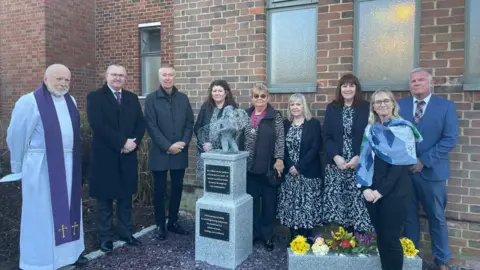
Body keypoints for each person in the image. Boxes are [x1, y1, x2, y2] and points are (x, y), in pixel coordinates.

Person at [2, 64, 87, 269]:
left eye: (67, 80)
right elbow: (16, 135)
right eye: (58, 79)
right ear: (46, 78)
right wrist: (18, 166)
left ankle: (68, 255)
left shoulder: (71, 101)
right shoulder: (30, 102)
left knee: (69, 208)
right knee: (43, 213)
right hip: (41, 167)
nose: (63, 84)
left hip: (68, 166)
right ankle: (41, 260)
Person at [400, 68, 459, 270]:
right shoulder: (400, 106)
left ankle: (442, 261)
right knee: (408, 217)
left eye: (421, 80)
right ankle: (411, 258)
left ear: (430, 83)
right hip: (406, 173)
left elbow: (450, 139)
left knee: (436, 217)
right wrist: (406, 160)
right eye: (413, 80)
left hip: (433, 173)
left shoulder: (445, 107)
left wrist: (423, 161)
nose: (416, 83)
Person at [357, 89, 422, 270]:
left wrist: (380, 191)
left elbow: (399, 167)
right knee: (381, 237)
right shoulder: (371, 130)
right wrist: (365, 189)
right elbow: (365, 160)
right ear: (373, 107)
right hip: (372, 192)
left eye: (386, 101)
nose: (382, 104)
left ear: (393, 103)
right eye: (377, 102)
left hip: (395, 192)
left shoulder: (403, 129)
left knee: (391, 238)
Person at [86, 64, 146, 253]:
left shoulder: (131, 98)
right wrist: (122, 142)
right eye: (114, 75)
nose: (118, 78)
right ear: (106, 76)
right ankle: (106, 238)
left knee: (125, 198)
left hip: (127, 157)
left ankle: (126, 233)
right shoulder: (95, 97)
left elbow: (140, 123)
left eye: (121, 75)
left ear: (125, 78)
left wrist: (133, 143)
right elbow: (98, 125)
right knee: (104, 200)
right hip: (106, 157)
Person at [144, 64, 194, 241]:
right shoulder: (151, 99)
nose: (167, 78)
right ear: (159, 78)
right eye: (164, 75)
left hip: (179, 151)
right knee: (159, 190)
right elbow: (151, 126)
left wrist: (183, 143)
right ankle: (160, 224)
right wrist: (167, 146)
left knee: (177, 187)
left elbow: (189, 123)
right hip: (160, 152)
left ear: (174, 77)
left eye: (170, 75)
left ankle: (173, 221)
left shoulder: (183, 98)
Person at [322, 73, 373, 233]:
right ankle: (342, 244)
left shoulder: (366, 107)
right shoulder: (332, 107)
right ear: (340, 88)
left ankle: (360, 244)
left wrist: (359, 156)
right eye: (344, 86)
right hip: (338, 166)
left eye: (351, 85)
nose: (348, 89)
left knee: (358, 208)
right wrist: (336, 156)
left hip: (359, 166)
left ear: (356, 88)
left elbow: (371, 135)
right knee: (339, 208)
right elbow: (327, 136)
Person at [242, 84, 284, 251]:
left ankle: (267, 235)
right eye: (256, 96)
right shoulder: (245, 115)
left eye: (263, 96)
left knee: (268, 204)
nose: (259, 99)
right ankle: (254, 233)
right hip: (248, 168)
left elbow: (280, 139)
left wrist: (279, 159)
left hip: (267, 168)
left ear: (268, 98)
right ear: (251, 98)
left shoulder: (275, 117)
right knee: (251, 203)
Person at [277, 93, 323, 242]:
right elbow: (281, 147)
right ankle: (294, 240)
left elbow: (315, 148)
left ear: (304, 106)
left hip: (307, 174)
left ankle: (307, 240)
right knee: (292, 208)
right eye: (292, 105)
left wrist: (299, 167)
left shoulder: (313, 124)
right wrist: (290, 165)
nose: (295, 107)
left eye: (298, 104)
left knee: (307, 209)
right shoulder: (285, 124)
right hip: (290, 175)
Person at [194, 79, 238, 180]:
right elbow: (198, 127)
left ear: (226, 93)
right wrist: (204, 143)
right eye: (214, 91)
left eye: (220, 91)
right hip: (206, 151)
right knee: (208, 182)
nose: (217, 93)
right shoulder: (206, 106)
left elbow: (235, 131)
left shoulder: (232, 108)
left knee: (222, 181)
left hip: (224, 152)